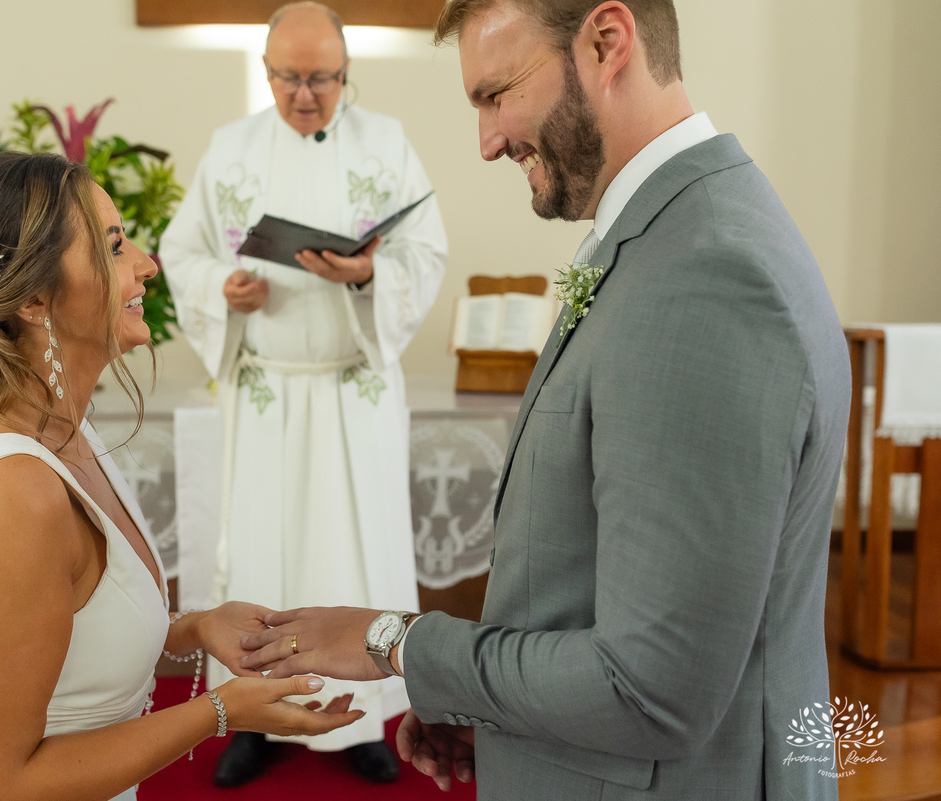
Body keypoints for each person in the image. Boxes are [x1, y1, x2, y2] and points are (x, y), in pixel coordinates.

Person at [239, 1, 850, 798]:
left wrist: (398, 640)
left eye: (497, 94)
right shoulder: (670, 233)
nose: (487, 140)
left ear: (606, 42)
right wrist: (498, 707)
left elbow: (651, 688)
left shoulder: (706, 277)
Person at [0, 151, 364, 801]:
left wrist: (194, 628)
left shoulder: (63, 433)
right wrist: (221, 710)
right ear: (33, 298)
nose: (146, 262)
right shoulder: (14, 495)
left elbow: (63, 641)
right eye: (113, 247)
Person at [158, 0, 448, 787]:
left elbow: (427, 250)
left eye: (322, 79)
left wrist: (370, 275)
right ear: (267, 73)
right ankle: (257, 716)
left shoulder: (385, 143)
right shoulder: (231, 149)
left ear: (347, 74)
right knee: (264, 556)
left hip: (351, 393)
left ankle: (363, 721)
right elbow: (178, 254)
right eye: (289, 78)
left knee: (355, 560)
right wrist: (225, 286)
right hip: (267, 398)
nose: (305, 95)